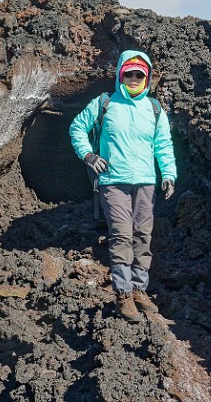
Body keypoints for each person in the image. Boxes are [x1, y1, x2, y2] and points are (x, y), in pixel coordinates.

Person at [69, 50, 177, 322]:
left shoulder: (154, 109)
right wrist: (89, 155)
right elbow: (77, 127)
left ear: (147, 77)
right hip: (113, 182)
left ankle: (139, 289)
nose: (133, 78)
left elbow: (163, 145)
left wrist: (168, 174)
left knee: (143, 235)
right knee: (121, 234)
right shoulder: (105, 103)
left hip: (145, 182)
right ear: (120, 75)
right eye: (128, 74)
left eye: (139, 74)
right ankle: (123, 295)